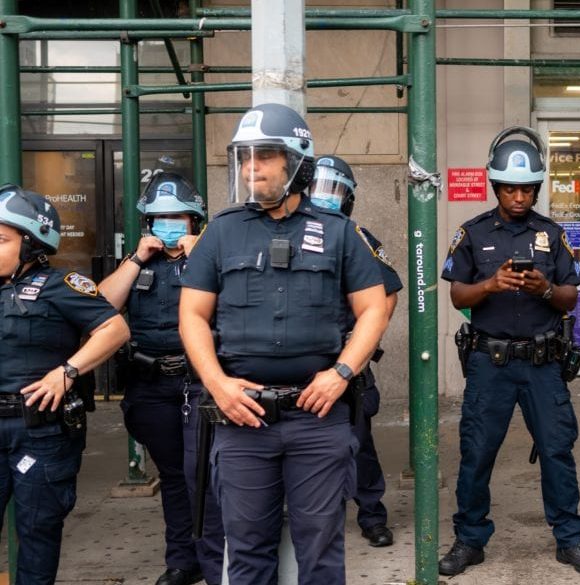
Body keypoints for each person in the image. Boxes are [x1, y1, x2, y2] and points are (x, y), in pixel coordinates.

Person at [178, 103, 389, 584]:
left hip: (318, 419)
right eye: (245, 157)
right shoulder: (221, 231)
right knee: (248, 549)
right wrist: (218, 384)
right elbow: (191, 313)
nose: (251, 167)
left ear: (296, 162)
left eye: (265, 156)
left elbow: (375, 307)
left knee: (321, 551)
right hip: (241, 416)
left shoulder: (338, 233)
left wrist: (341, 373)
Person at [439, 126, 580, 577]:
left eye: (527, 188)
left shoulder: (551, 234)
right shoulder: (472, 234)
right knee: (477, 452)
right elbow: (457, 297)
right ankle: (470, 539)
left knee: (557, 450)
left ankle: (570, 539)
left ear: (536, 189)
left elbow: (571, 297)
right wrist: (491, 285)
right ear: (496, 187)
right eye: (510, 188)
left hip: (542, 364)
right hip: (489, 363)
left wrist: (544, 288)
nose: (518, 197)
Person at [97, 172, 224, 585]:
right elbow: (100, 306)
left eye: (178, 218)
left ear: (195, 221)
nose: (168, 225)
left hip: (199, 381)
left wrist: (201, 254)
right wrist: (135, 259)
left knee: (204, 473)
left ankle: (217, 560)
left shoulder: (210, 255)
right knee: (173, 475)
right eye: (159, 219)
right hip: (151, 385)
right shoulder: (138, 264)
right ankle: (182, 561)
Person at [0, 185, 130, 584]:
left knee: (37, 532)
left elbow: (115, 328)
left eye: (1, 239)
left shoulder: (63, 284)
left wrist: (67, 371)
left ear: (30, 242)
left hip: (39, 429)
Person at [310, 155, 401, 548]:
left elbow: (389, 292)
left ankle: (371, 515)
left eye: (335, 191)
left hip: (347, 363)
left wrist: (363, 343)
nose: (325, 198)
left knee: (359, 443)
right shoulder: (292, 230)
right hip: (302, 360)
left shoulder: (357, 235)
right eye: (318, 188)